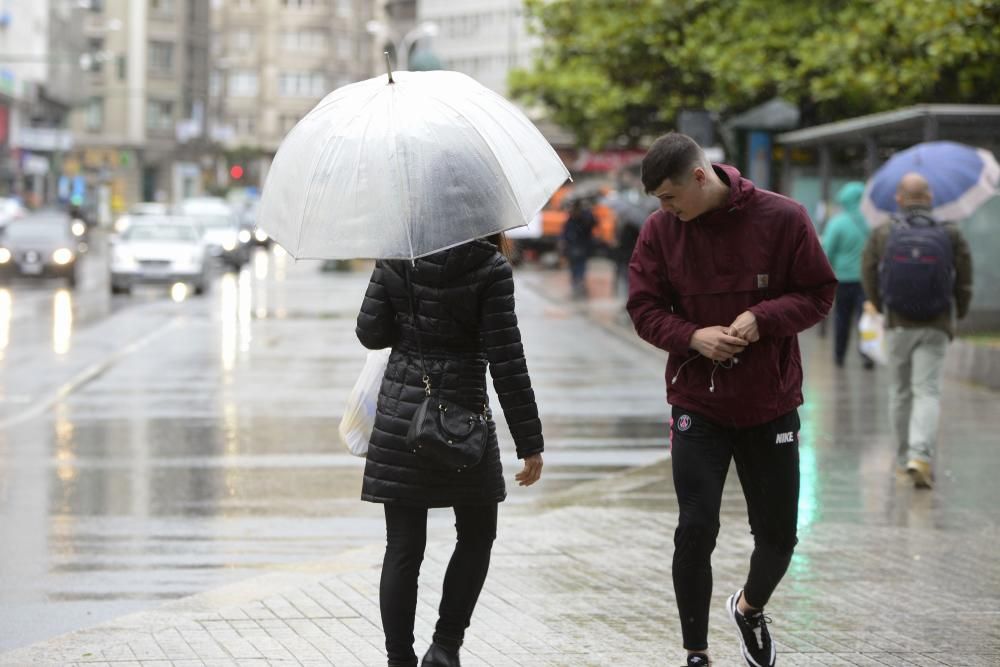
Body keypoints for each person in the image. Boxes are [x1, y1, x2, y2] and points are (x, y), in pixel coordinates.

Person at [627, 132, 836, 667]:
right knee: (696, 528)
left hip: (770, 400)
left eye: (670, 197)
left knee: (779, 536)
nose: (665, 209)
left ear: (700, 176)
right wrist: (693, 336)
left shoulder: (784, 218)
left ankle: (748, 608)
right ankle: (696, 652)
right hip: (699, 402)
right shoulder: (659, 231)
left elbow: (818, 292)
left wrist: (764, 318)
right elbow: (644, 307)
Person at [355, 233, 544, 667]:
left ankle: (398, 658)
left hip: (403, 414)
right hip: (464, 421)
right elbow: (507, 358)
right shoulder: (490, 267)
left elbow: (370, 333)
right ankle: (445, 646)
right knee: (477, 535)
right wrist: (529, 442)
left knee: (403, 546)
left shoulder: (396, 254)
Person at [861, 172, 973, 489]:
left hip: (898, 322)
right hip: (937, 322)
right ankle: (920, 455)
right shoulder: (950, 233)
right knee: (927, 390)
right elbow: (964, 275)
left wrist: (881, 306)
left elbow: (868, 270)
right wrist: (958, 310)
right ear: (930, 197)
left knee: (900, 391)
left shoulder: (884, 232)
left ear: (899, 198)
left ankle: (901, 460)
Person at [820, 181, 874, 369]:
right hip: (867, 280)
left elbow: (828, 252)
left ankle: (839, 356)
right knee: (866, 319)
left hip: (843, 280)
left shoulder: (838, 223)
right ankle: (868, 355)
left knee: (842, 318)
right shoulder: (871, 222)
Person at [561, 198, 597, 299]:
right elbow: (565, 232)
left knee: (580, 265)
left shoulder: (585, 217)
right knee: (575, 266)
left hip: (582, 246)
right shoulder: (571, 219)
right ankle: (576, 283)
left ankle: (579, 283)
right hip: (574, 246)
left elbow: (592, 225)